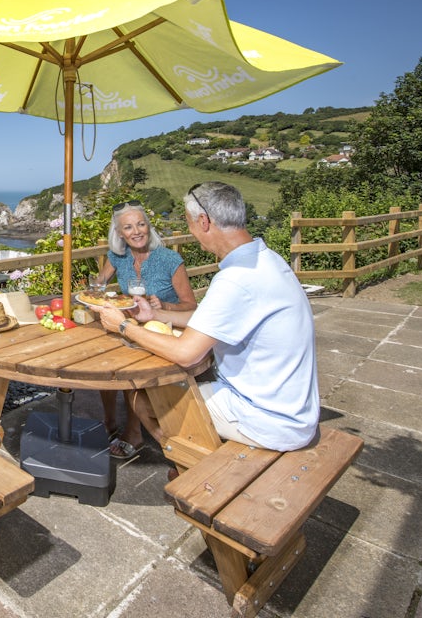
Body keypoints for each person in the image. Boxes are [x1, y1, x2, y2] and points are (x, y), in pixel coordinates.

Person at [98, 182, 320, 459]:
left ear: (203, 221)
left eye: (189, 223)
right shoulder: (266, 260)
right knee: (167, 388)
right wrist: (153, 315)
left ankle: (193, 463)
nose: (191, 231)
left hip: (266, 418)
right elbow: (202, 319)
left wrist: (123, 326)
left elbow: (186, 354)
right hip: (292, 409)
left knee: (140, 397)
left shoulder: (235, 279)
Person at [93, 200, 196, 458]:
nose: (136, 231)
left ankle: (134, 431)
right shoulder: (118, 256)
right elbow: (100, 283)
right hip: (129, 327)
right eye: (128, 227)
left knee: (130, 374)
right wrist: (98, 290)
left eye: (141, 224)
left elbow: (191, 307)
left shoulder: (170, 259)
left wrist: (165, 306)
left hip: (165, 331)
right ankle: (109, 423)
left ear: (149, 228)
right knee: (104, 365)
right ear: (119, 233)